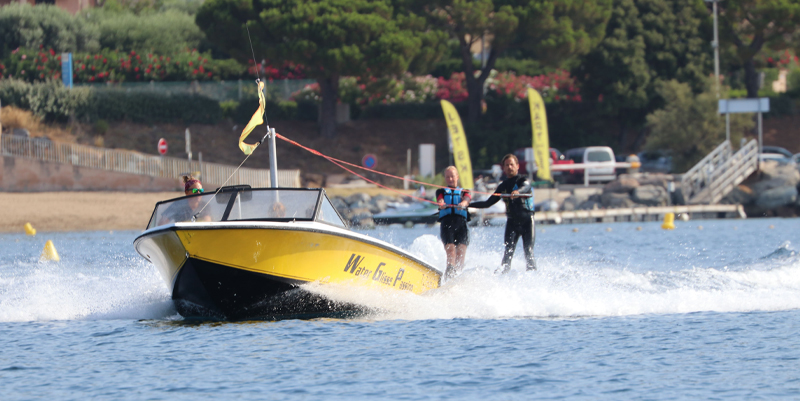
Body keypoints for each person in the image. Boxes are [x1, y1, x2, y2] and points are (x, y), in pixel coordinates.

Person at [469, 154, 536, 273]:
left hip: (527, 222)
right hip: (512, 223)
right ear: (504, 168)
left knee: (528, 251)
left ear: (517, 166)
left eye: (512, 164)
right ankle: (503, 277)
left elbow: (525, 188)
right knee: (508, 252)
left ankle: (533, 276)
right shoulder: (503, 186)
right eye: (507, 165)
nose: (509, 167)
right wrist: (468, 205)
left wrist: (517, 192)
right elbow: (487, 203)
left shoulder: (523, 180)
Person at [436, 166, 471, 281]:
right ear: (445, 178)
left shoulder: (465, 191)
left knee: (461, 252)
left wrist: (464, 203)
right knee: (451, 250)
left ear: (457, 177)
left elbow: (467, 198)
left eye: (452, 176)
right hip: (447, 225)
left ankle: (459, 276)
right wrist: (441, 203)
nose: (450, 179)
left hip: (462, 225)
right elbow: (440, 199)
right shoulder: (440, 191)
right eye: (447, 177)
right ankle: (450, 272)